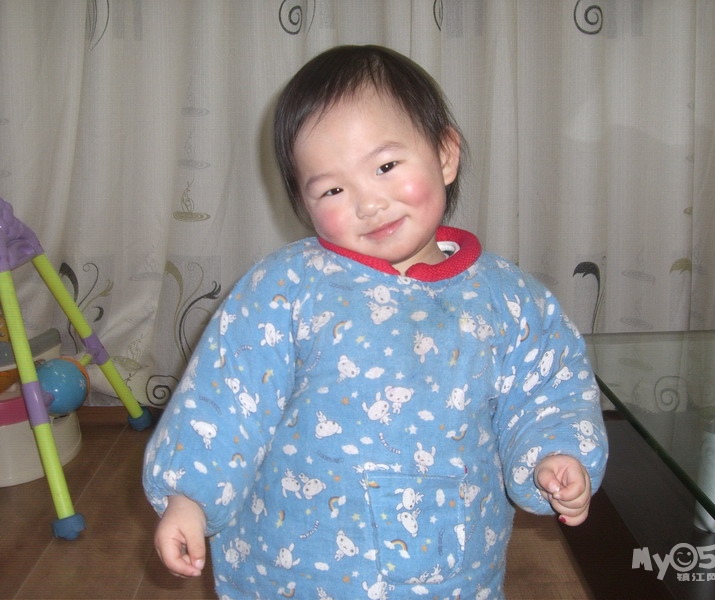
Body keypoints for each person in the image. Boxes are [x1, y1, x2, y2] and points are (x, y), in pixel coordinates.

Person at [143, 44, 608, 600]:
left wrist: (556, 455)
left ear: (445, 155)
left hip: (448, 568)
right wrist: (188, 497)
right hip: (294, 570)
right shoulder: (284, 288)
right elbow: (224, 398)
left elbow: (549, 391)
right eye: (333, 189)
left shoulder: (509, 301)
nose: (368, 203)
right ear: (303, 203)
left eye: (386, 167)